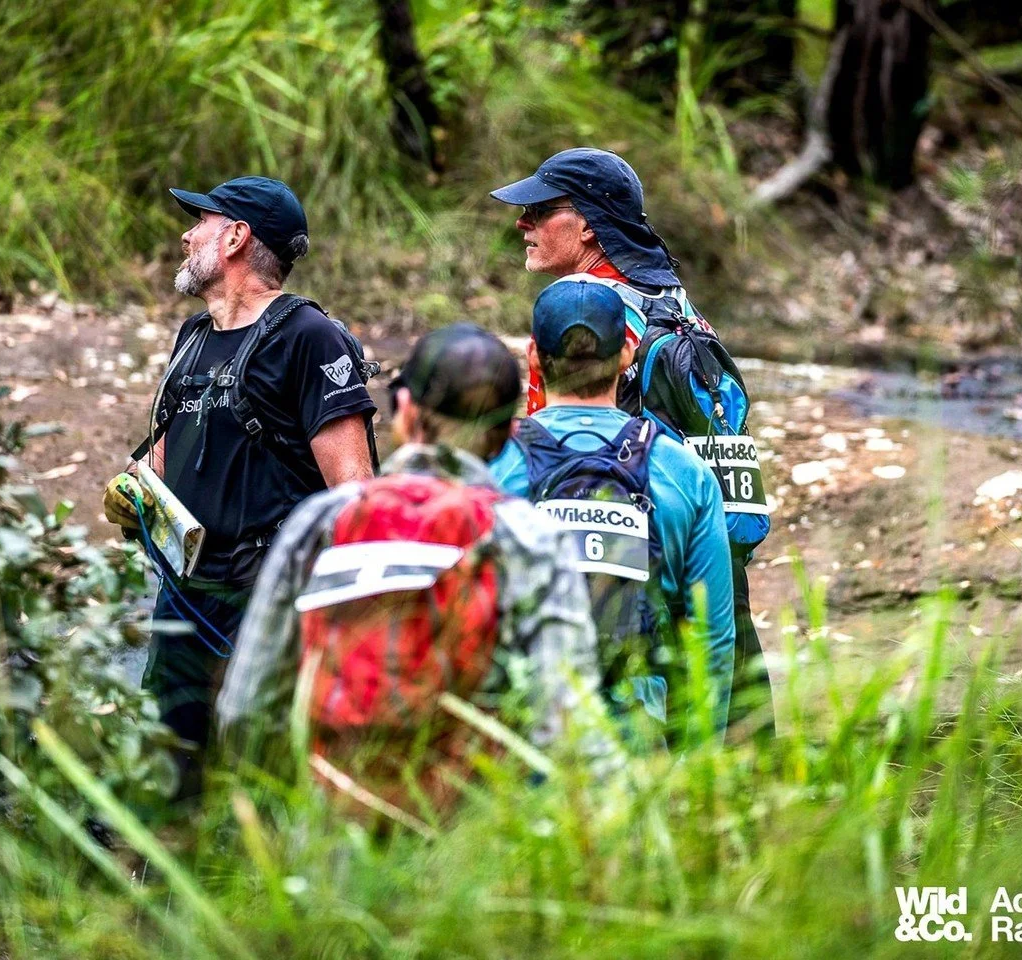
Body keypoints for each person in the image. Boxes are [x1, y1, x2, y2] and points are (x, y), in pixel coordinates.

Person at [217, 324, 607, 814]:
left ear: (404, 411)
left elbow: (245, 709)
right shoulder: (527, 537)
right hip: (469, 833)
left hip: (330, 828)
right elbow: (569, 725)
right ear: (508, 434)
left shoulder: (320, 522)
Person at [490, 147, 774, 731]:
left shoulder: (585, 313)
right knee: (731, 735)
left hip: (627, 569)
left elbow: (550, 445)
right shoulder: (677, 303)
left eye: (540, 211)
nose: (523, 223)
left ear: (588, 225)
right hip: (705, 545)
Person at [102, 176, 377, 775]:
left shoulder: (309, 338)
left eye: (199, 223)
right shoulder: (194, 335)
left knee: (261, 766)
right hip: (187, 589)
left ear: (235, 238)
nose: (185, 236)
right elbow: (177, 442)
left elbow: (355, 497)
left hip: (270, 596)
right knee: (170, 760)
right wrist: (136, 488)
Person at [489, 278, 736, 735]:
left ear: (533, 357)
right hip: (639, 742)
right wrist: (698, 759)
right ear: (626, 353)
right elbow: (712, 638)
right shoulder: (687, 473)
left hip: (521, 741)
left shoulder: (492, 468)